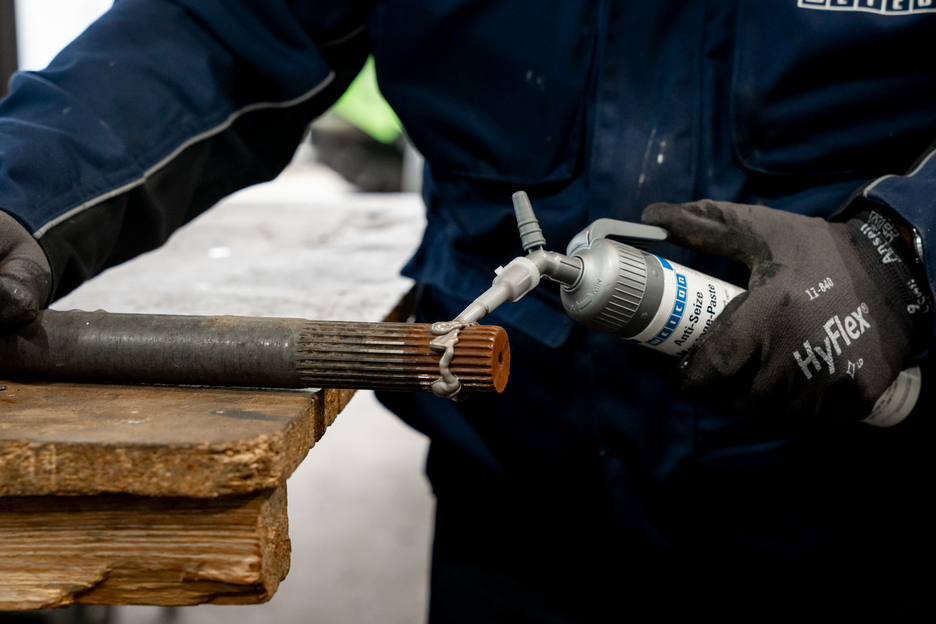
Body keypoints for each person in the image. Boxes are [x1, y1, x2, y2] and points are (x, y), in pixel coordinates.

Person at [2, 1, 935, 621]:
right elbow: (223, 25)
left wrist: (905, 251)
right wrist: (22, 191)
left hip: (869, 517)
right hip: (523, 508)